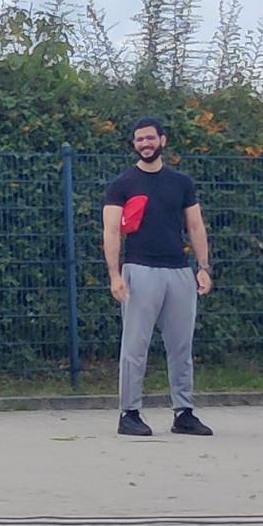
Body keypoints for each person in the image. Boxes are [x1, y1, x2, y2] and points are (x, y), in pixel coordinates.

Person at [102, 117, 215, 437]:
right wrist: (115, 274)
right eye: (139, 139)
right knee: (134, 346)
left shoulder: (181, 183)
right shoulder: (122, 184)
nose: (145, 144)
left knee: (181, 346)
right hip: (139, 270)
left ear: (162, 140)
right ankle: (129, 412)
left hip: (179, 271)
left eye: (150, 138)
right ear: (134, 144)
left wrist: (203, 267)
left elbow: (195, 226)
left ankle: (184, 412)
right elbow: (111, 230)